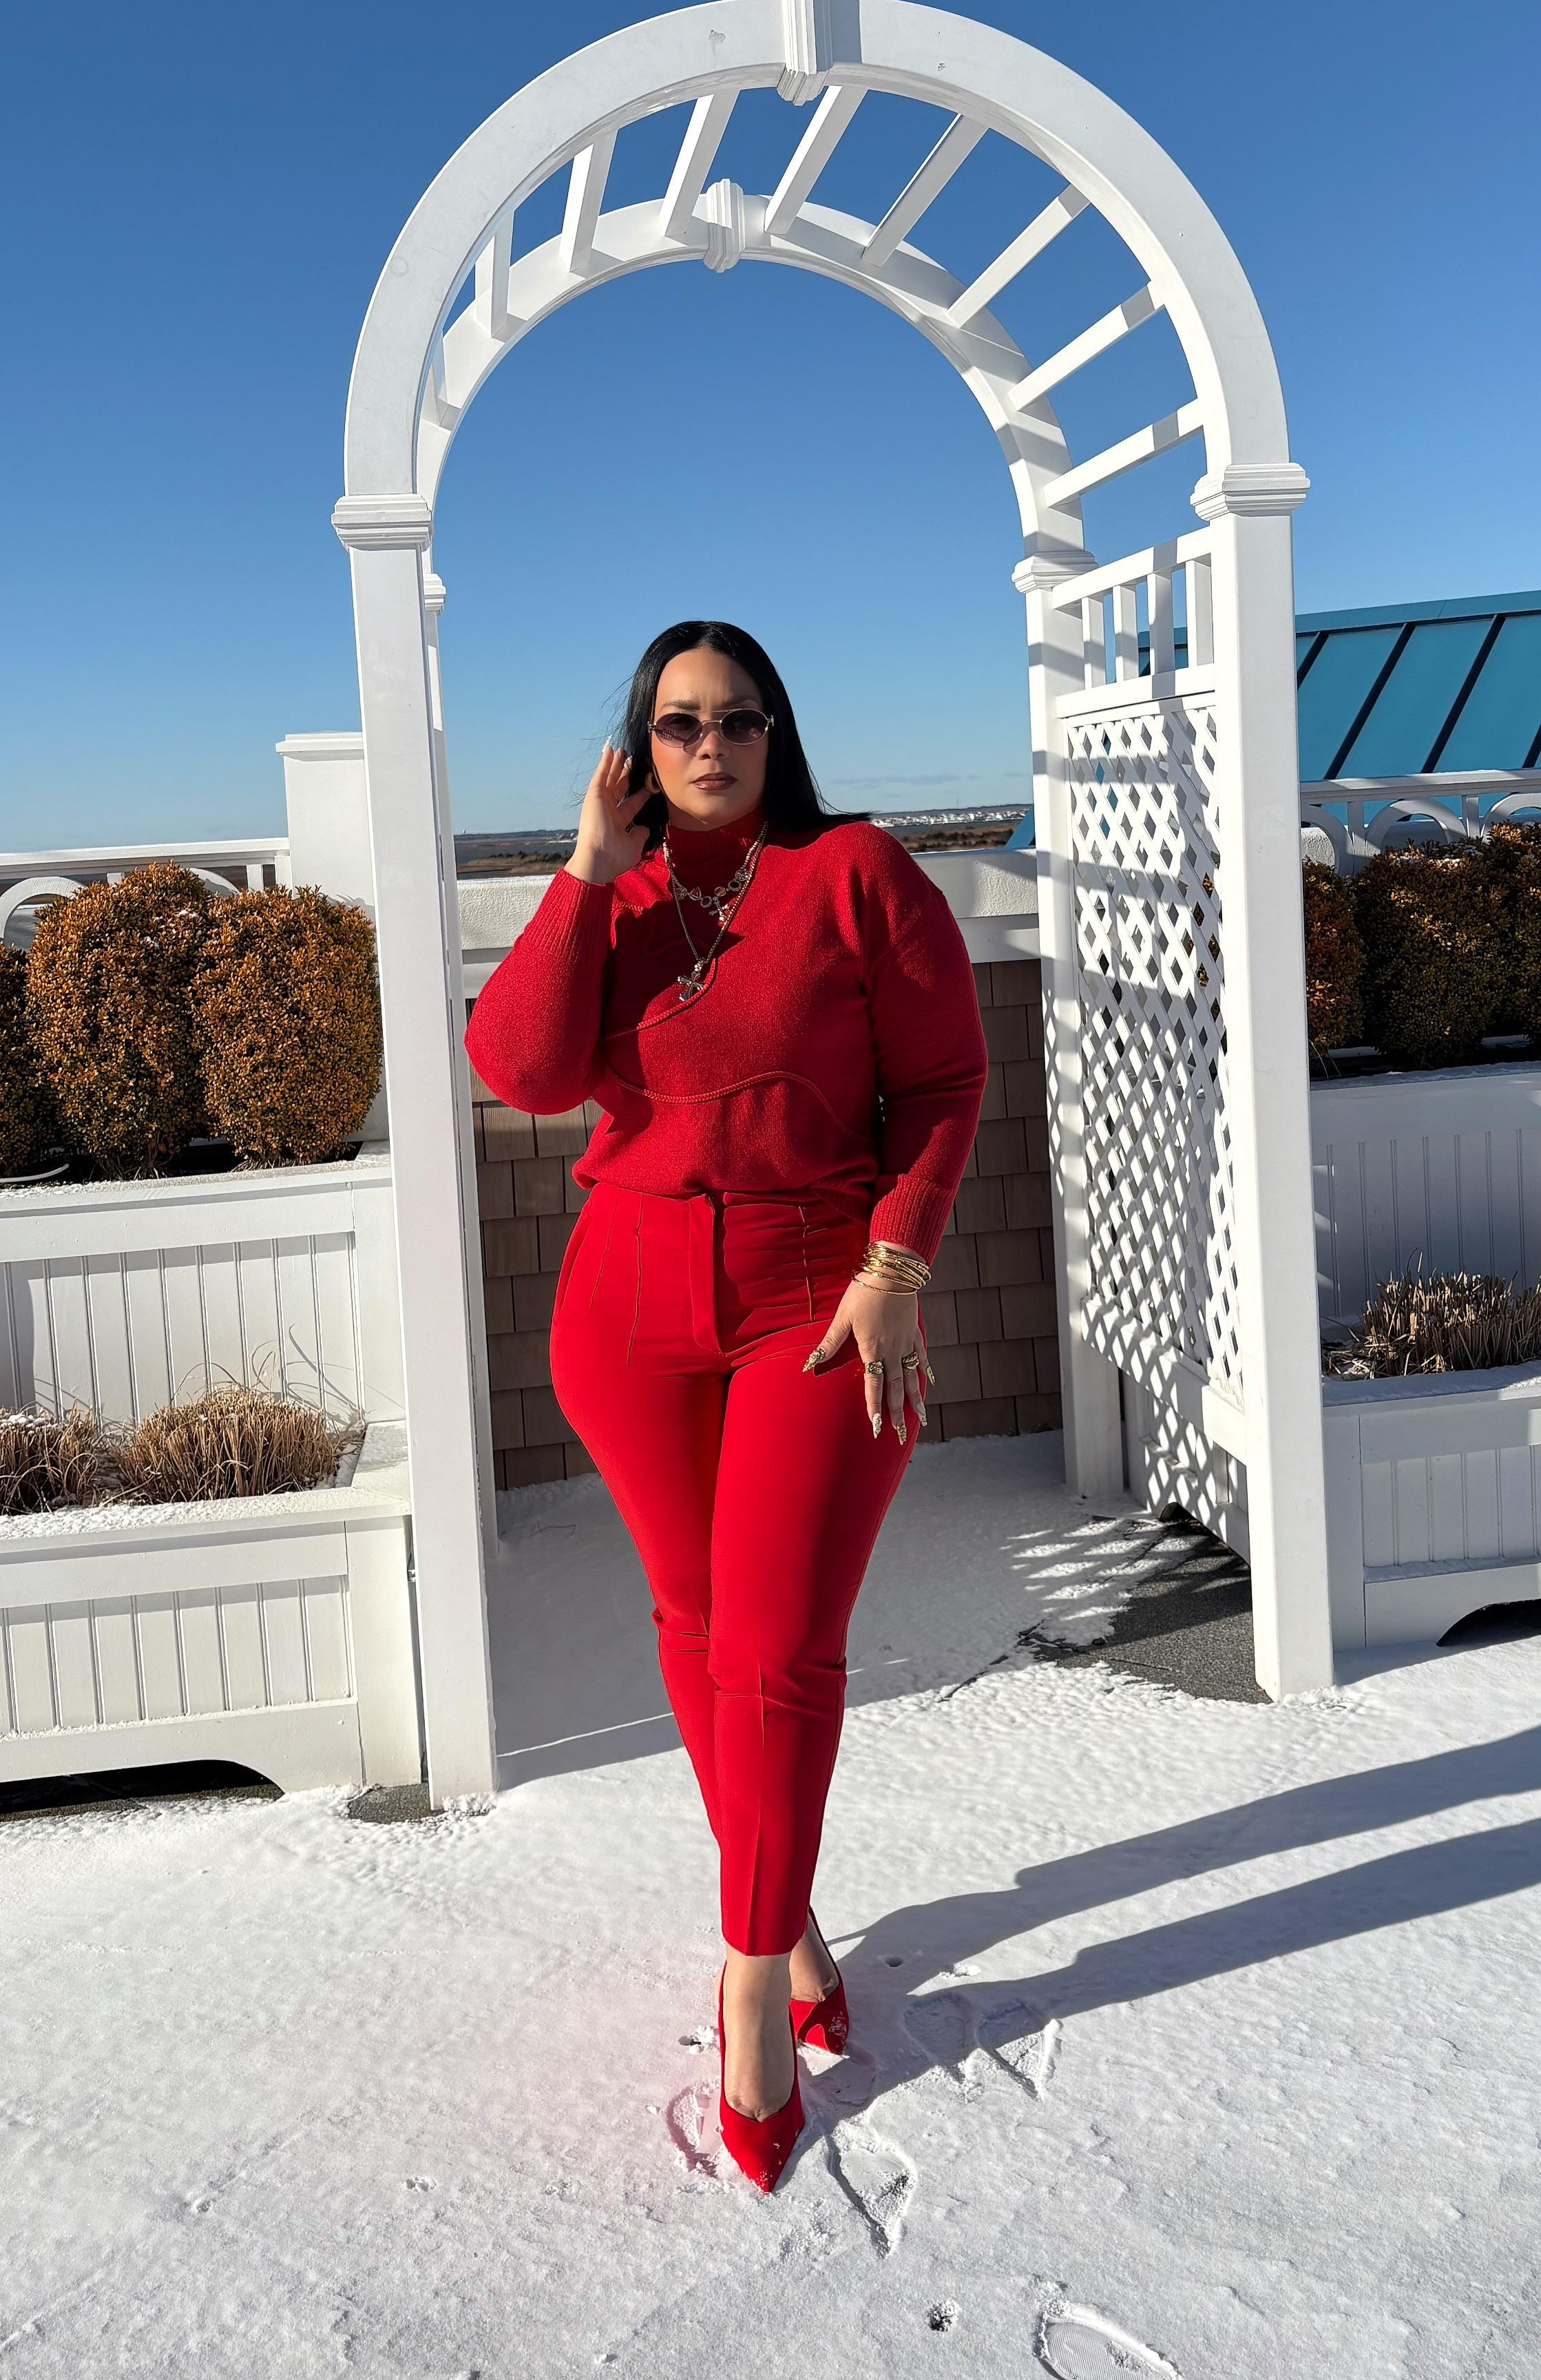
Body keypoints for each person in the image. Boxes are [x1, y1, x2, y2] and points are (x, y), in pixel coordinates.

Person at [464, 620, 987, 2191]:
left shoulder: (854, 874)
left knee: (775, 1645)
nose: (711, 744)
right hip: (624, 1295)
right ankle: (792, 1918)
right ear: (638, 744)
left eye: (739, 718)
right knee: (694, 1625)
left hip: (813, 1291)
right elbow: (522, 1070)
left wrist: (896, 1263)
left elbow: (943, 1084)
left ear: (777, 733)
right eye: (680, 721)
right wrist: (583, 869)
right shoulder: (613, 898)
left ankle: (748, 1977)